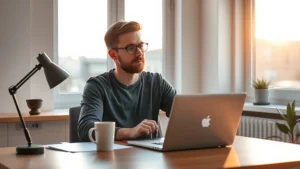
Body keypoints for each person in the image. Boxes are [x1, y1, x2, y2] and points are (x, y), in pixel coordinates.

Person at [78, 21, 176, 141]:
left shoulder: (157, 82)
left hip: (152, 157)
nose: (139, 53)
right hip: (112, 158)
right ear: (113, 55)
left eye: (141, 46)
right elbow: (86, 129)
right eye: (131, 48)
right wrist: (130, 132)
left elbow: (184, 114)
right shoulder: (97, 86)